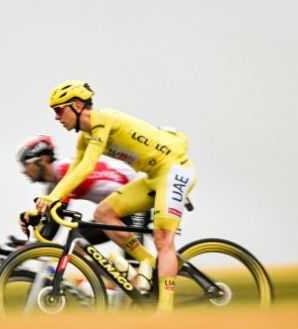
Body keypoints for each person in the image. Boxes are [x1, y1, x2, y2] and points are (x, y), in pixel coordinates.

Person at [37, 81, 196, 314]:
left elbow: (86, 169)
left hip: (175, 170)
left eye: (59, 110)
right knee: (104, 214)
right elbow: (72, 174)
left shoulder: (102, 120)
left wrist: (51, 199)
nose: (56, 117)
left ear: (78, 106)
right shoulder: (85, 138)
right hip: (153, 176)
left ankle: (165, 310)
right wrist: (44, 204)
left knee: (163, 238)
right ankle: (150, 264)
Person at [17, 134, 149, 250]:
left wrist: (27, 247)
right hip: (116, 211)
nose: (22, 171)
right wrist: (26, 240)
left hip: (137, 202)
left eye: (25, 163)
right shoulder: (54, 184)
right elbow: (48, 222)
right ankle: (96, 278)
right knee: (76, 242)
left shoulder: (63, 172)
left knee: (138, 265)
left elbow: (55, 222)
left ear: (43, 159)